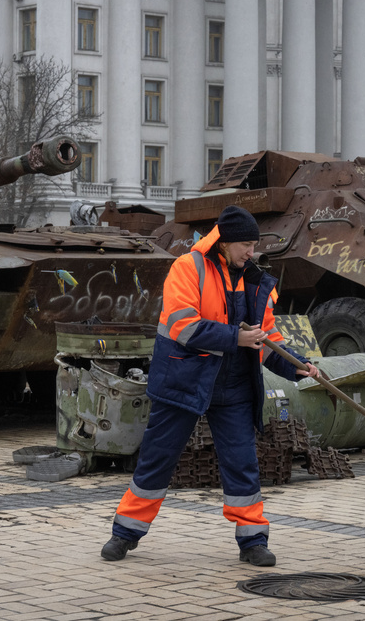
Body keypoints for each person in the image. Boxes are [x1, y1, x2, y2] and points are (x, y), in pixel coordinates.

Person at [100, 205, 319, 567]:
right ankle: (124, 534)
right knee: (157, 459)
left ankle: (253, 541)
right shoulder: (188, 268)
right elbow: (183, 327)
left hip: (233, 387)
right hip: (183, 381)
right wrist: (237, 337)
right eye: (247, 245)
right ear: (226, 242)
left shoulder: (254, 279)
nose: (252, 252)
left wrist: (298, 365)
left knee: (242, 464)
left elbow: (267, 338)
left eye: (254, 245)